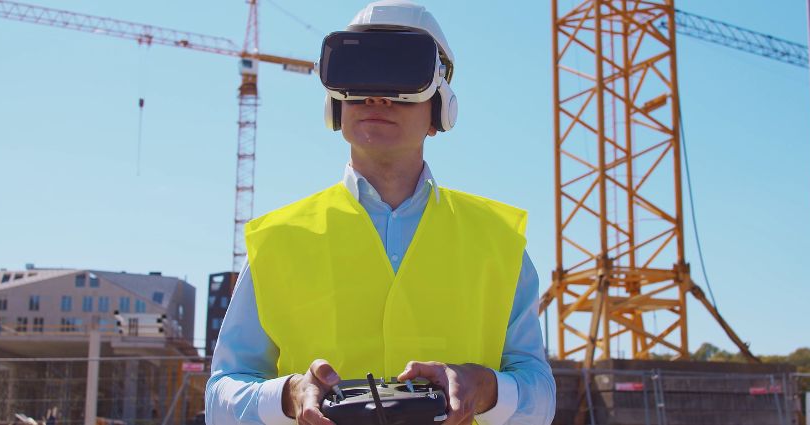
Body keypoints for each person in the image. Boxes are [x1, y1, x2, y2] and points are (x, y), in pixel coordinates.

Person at [205, 1, 556, 424]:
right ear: (336, 103)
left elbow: (539, 393)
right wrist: (287, 396)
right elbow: (221, 397)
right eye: (357, 75)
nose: (376, 96)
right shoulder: (278, 239)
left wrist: (486, 388)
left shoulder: (498, 241)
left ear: (439, 108)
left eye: (401, 75)